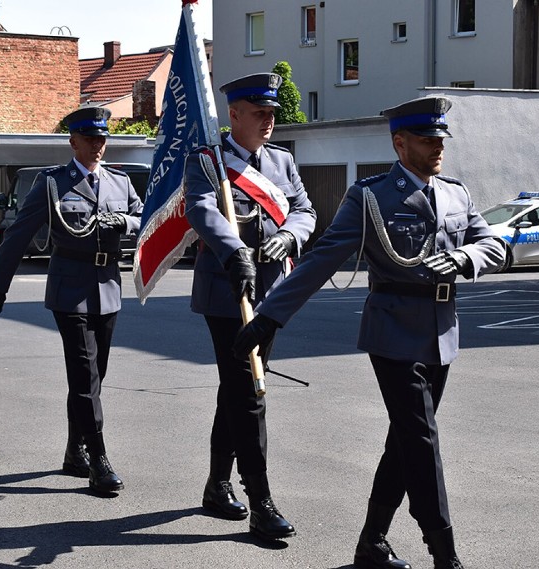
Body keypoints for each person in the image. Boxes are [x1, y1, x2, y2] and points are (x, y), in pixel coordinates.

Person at [234, 96, 506, 568]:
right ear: (400, 144)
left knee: (403, 441)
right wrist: (269, 316)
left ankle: (371, 544)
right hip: (394, 334)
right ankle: (445, 552)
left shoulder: (457, 193)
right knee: (421, 440)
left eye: (441, 138)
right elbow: (320, 260)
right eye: (426, 139)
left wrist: (467, 258)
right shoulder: (371, 196)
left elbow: (493, 244)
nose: (437, 147)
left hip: (443, 334)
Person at [0, 106, 143, 495]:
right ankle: (98, 460)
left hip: (108, 286)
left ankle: (74, 451)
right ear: (73, 142)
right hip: (70, 288)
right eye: (89, 139)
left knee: (94, 377)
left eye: (102, 139)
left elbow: (144, 216)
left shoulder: (119, 182)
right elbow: (18, 235)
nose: (97, 146)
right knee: (85, 375)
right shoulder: (52, 183)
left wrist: (125, 223)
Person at [182, 72, 317, 541]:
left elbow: (305, 209)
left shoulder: (281, 161)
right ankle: (260, 500)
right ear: (234, 114)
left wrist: (289, 235)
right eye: (260, 113)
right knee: (249, 393)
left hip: (272, 291)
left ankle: (218, 485)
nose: (269, 121)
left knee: (234, 393)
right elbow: (199, 208)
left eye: (273, 114)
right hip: (228, 293)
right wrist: (233, 250)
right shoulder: (207, 160)